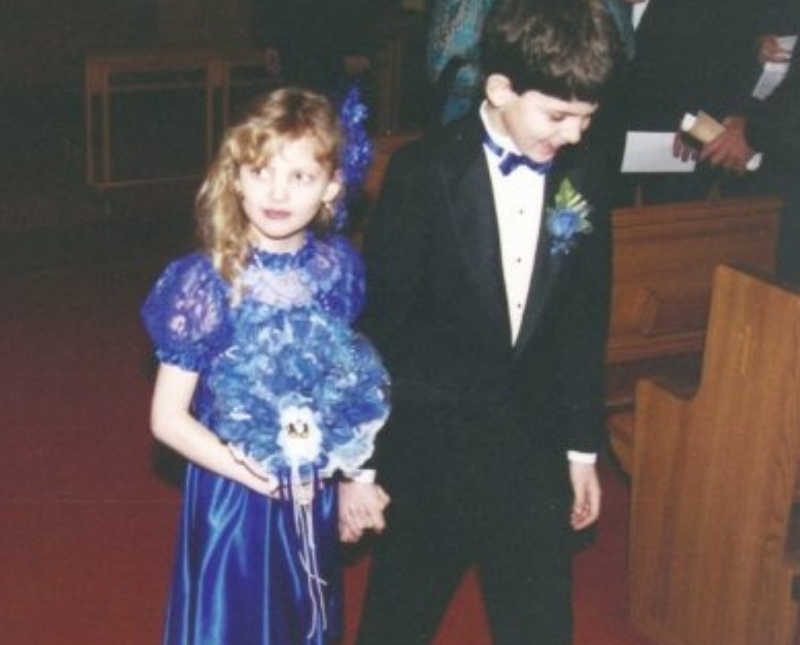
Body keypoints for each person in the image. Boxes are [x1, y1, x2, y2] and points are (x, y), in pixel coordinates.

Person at [344, 1, 617, 643]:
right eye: (559, 115)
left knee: (541, 624)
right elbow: (381, 328)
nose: (575, 134)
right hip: (431, 448)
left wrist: (581, 451)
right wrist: (361, 465)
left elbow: (583, 322)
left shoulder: (584, 173)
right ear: (499, 90)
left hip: (534, 450)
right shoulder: (423, 173)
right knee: (397, 620)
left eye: (587, 118)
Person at [141, 87, 391, 645]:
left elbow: (351, 383)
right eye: (261, 172)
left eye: (300, 177)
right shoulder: (205, 281)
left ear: (331, 188)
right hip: (235, 494)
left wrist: (358, 476)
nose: (277, 193)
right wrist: (253, 474)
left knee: (304, 618)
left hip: (310, 487)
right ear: (235, 178)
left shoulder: (337, 269)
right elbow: (168, 419)